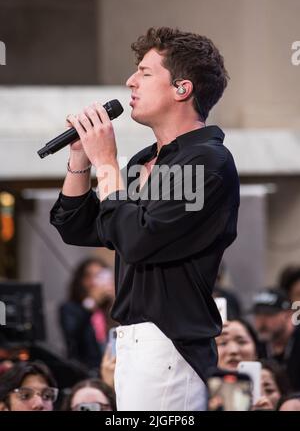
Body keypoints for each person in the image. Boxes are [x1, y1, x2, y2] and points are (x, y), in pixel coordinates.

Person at [50, 26, 240, 411]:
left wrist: (106, 164)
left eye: (145, 72)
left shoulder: (206, 160)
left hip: (169, 341)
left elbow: (138, 238)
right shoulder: (143, 161)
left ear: (182, 89)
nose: (130, 81)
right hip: (132, 343)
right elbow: (79, 226)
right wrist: (80, 162)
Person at [60, 256, 115, 370]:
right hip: (84, 371)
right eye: (89, 276)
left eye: (100, 276)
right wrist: (92, 302)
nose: (94, 282)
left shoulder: (111, 309)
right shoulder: (71, 308)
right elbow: (72, 334)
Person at [251, 287, 300, 391]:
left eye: (269, 314)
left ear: (288, 314)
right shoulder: (255, 344)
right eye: (257, 314)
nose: (261, 321)